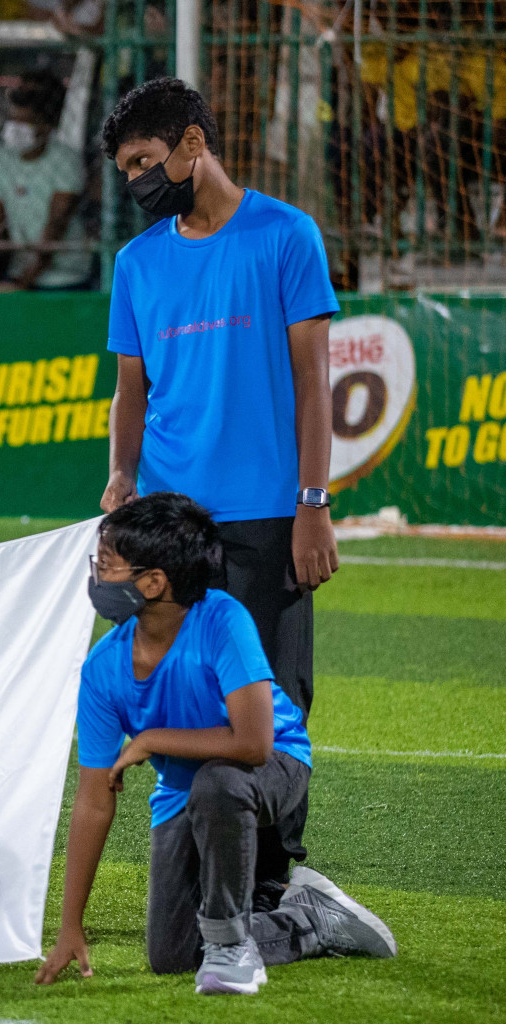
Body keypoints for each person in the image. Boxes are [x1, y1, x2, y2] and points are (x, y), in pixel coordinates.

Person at [100, 77, 340, 896]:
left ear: (194, 144)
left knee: (272, 696)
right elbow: (131, 389)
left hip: (272, 512)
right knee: (184, 684)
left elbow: (315, 385)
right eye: (125, 168)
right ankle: (201, 868)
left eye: (144, 160)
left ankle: (277, 882)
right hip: (172, 518)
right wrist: (122, 478)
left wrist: (314, 504)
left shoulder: (286, 235)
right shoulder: (136, 263)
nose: (135, 180)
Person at [36, 493, 395, 994]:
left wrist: (153, 739)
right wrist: (69, 925)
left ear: (154, 582)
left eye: (106, 565)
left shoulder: (223, 619)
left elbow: (253, 743)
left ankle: (230, 945)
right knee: (173, 957)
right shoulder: (103, 668)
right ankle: (311, 921)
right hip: (185, 794)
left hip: (277, 762)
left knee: (218, 784)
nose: (96, 576)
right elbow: (94, 803)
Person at [0, 71, 91, 292]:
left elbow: (57, 223)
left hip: (65, 275)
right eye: (13, 121)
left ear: (46, 127)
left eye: (25, 123)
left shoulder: (65, 159)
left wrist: (23, 282)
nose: (16, 129)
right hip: (18, 270)